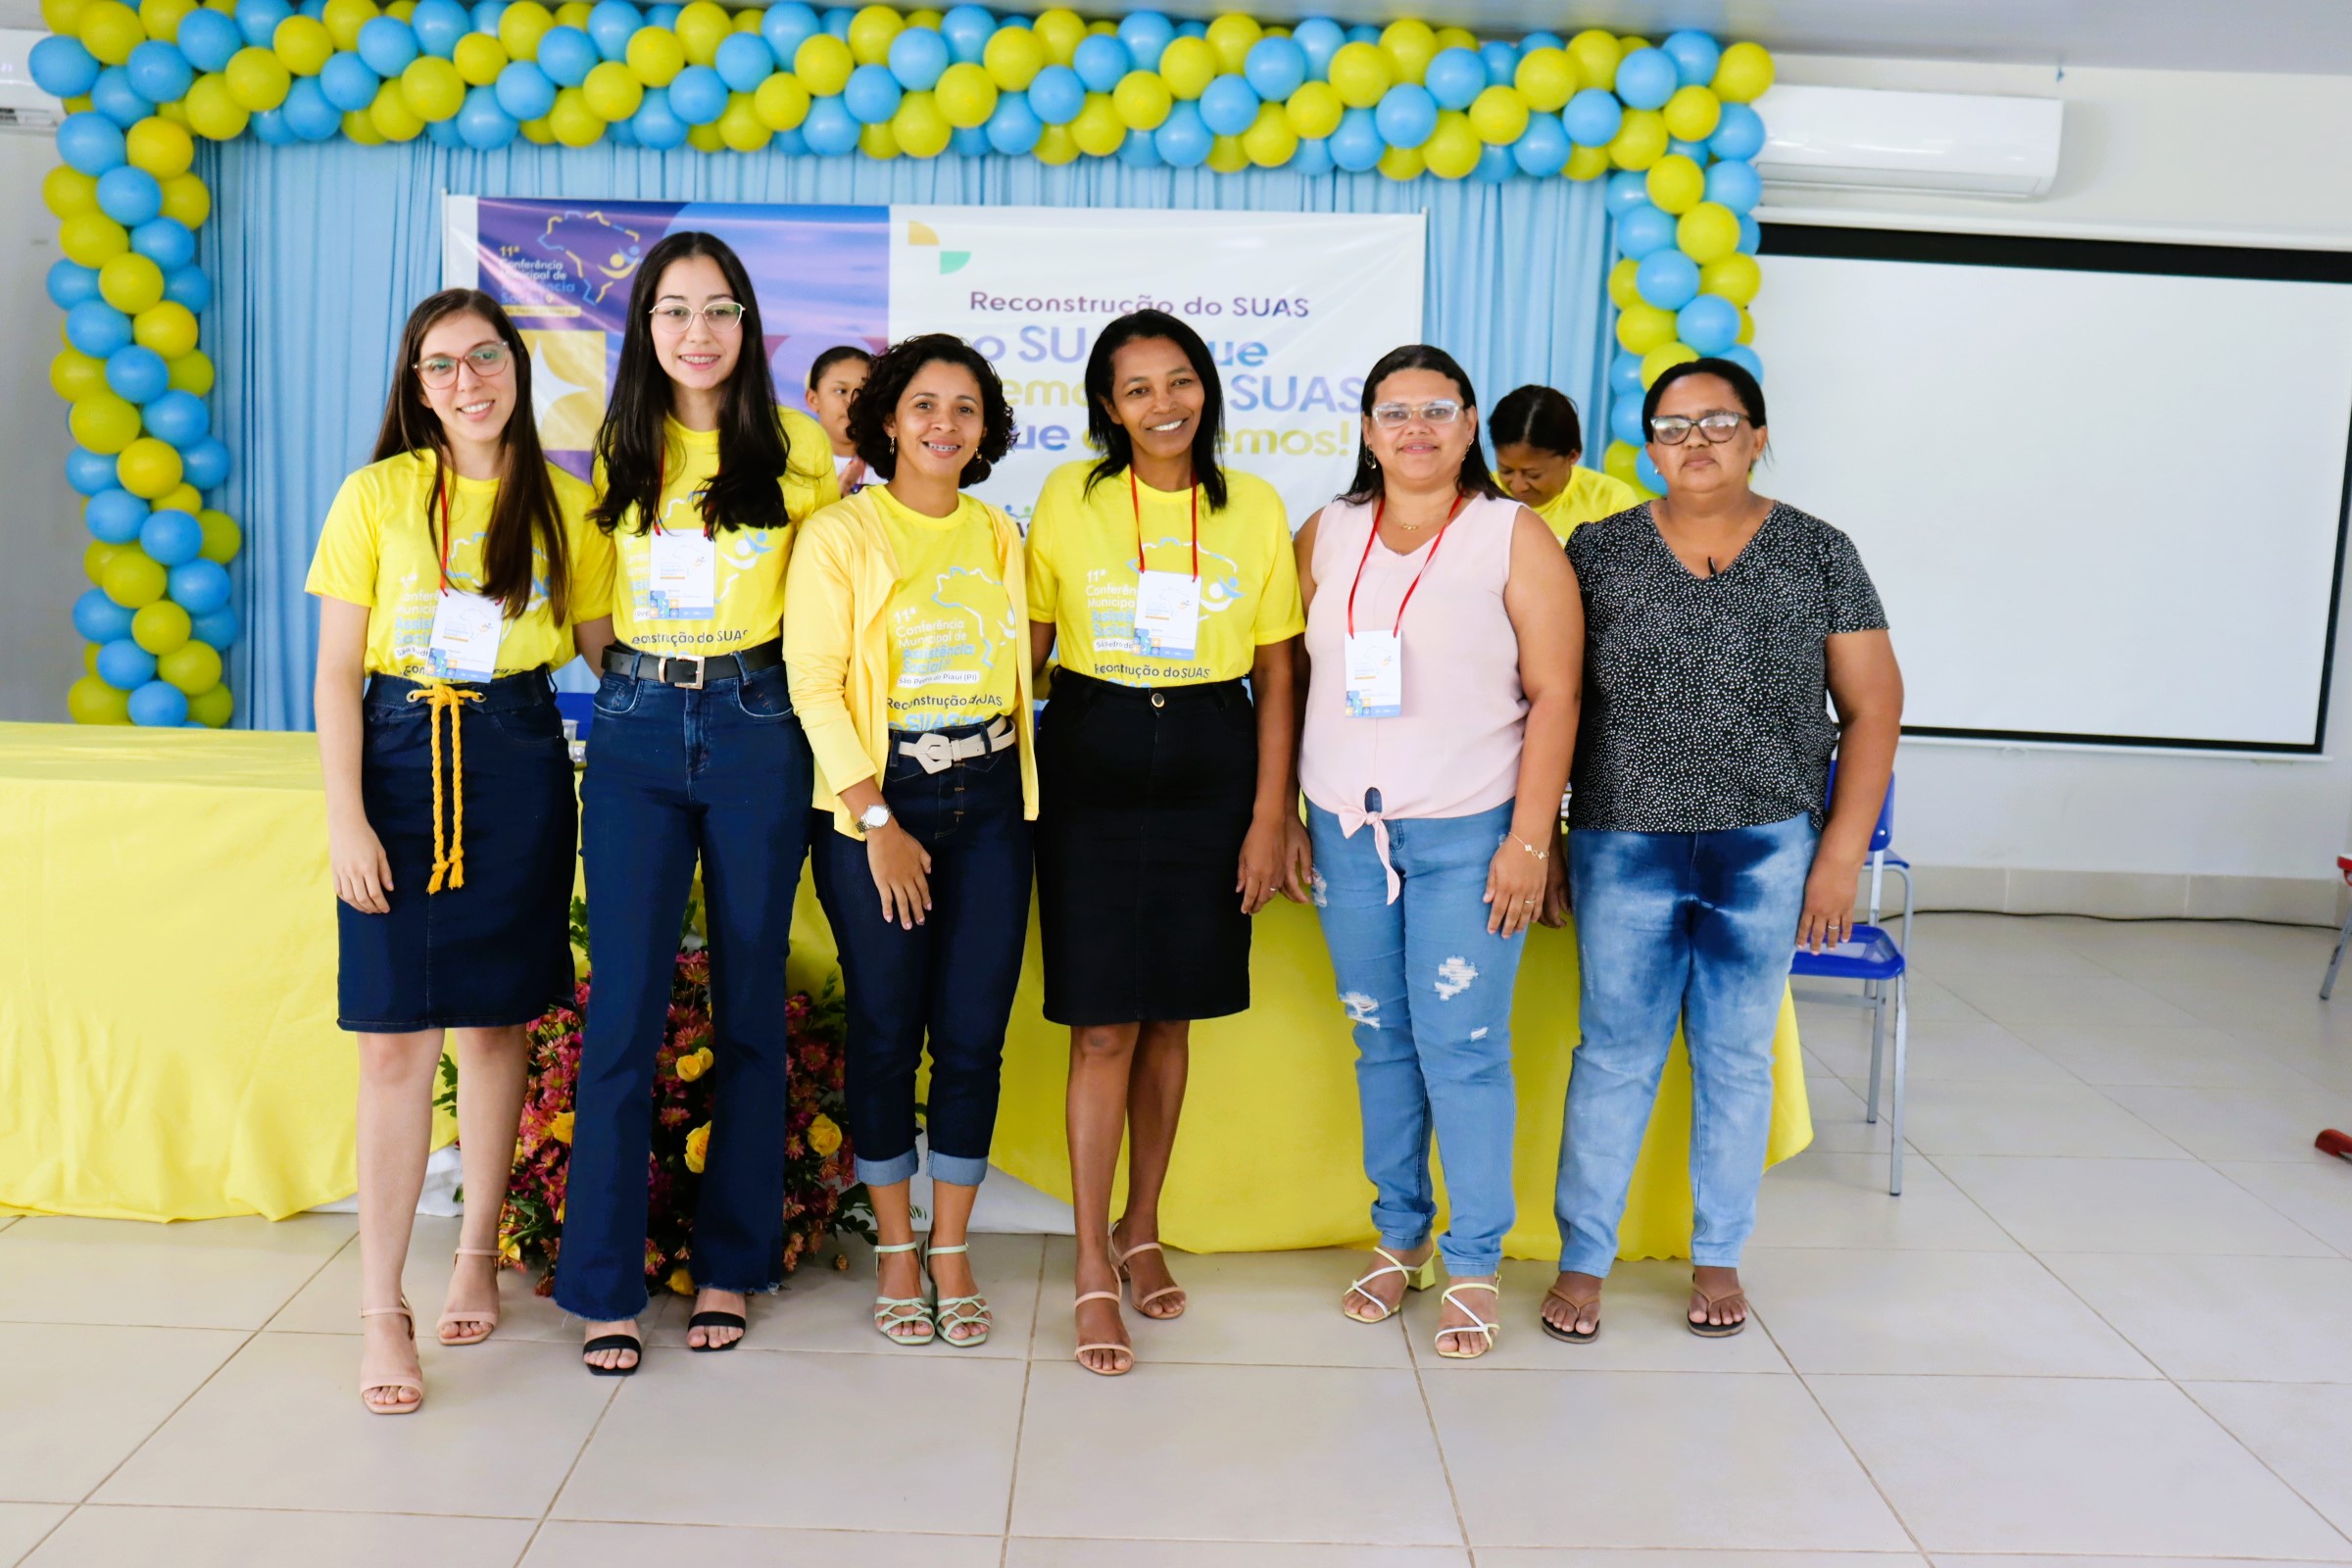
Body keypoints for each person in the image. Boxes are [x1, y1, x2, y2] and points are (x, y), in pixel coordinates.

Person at [1544, 357, 1901, 1344]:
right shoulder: (1597, 550)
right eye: (1671, 426)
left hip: (1765, 845)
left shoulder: (1819, 552)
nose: (1693, 442)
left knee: (1737, 1057)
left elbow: (1875, 708)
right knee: (1615, 1055)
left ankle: (1719, 1254)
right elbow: (1552, 700)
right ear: (1647, 444)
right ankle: (1585, 1259)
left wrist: (1838, 857)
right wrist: (1544, 840)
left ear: (1757, 434)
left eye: (1717, 422)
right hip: (1622, 841)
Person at [307, 288, 598, 1413]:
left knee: (495, 1020)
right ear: (415, 385)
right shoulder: (376, 495)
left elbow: (604, 645)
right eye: (441, 365)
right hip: (394, 757)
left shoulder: (564, 501)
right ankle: (384, 1305)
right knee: (391, 1043)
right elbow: (337, 670)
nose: (467, 380)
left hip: (518, 756)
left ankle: (477, 1248)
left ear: (516, 369)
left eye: (485, 357)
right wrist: (344, 815)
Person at [558, 231, 839, 1376]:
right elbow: (587, 619)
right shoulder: (614, 446)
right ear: (645, 327)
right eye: (675, 310)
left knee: (748, 999)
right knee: (622, 1006)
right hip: (630, 730)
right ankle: (606, 1285)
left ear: (748, 324)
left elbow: (825, 603)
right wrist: (649, 683)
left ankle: (731, 1265)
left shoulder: (804, 449)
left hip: (759, 725)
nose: (698, 331)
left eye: (720, 309)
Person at [1025, 309, 1310, 1376]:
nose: (1163, 404)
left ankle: (1146, 1227)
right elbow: (1033, 646)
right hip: (1093, 751)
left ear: (1207, 390)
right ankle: (1093, 1259)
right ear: (1108, 404)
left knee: (1170, 1019)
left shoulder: (1255, 505)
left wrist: (1269, 814)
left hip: (1210, 755)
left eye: (1178, 381)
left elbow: (1279, 670)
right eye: (1137, 388)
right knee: (1102, 1025)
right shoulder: (1073, 497)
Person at [1297, 345, 1581, 1361]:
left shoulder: (1513, 535)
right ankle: (1399, 1234)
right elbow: (1281, 674)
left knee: (1462, 1049)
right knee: (1380, 1039)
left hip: (1473, 833)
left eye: (1437, 409)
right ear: (1368, 430)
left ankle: (1473, 1258)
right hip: (1346, 829)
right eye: (1394, 410)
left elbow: (1557, 694)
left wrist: (1529, 840)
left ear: (1468, 428)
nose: (1415, 428)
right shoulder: (1327, 533)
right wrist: (1284, 812)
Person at [785, 334, 1036, 1350]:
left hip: (993, 803)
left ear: (986, 430)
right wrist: (876, 820)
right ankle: (895, 1246)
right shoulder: (842, 534)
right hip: (879, 802)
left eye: (966, 409)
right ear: (887, 418)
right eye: (924, 404)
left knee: (974, 1033)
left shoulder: (997, 531)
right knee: (888, 1031)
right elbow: (817, 684)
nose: (944, 424)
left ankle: (951, 1244)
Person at [1489, 384, 1643, 542]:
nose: (1518, 486)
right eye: (1506, 471)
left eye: (1533, 475)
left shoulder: (1612, 501)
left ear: (1572, 456)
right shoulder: (1479, 496)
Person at [806, 344, 872, 494]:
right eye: (841, 391)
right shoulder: (793, 467)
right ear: (813, 399)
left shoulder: (894, 468)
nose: (853, 401)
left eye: (864, 391)